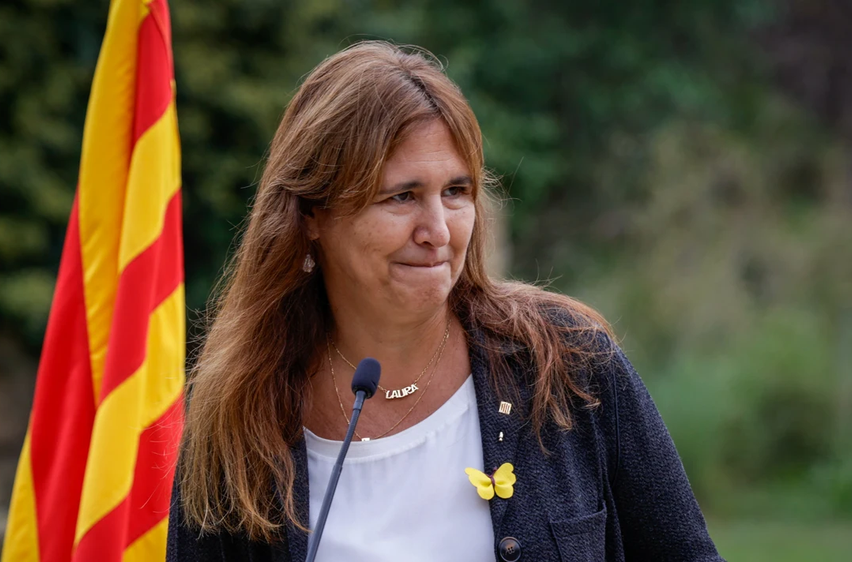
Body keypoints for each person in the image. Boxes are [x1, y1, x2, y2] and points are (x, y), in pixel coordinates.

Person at [167, 41, 723, 562]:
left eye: (455, 192)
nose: (438, 230)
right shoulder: (241, 414)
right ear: (312, 215)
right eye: (402, 196)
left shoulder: (570, 366)